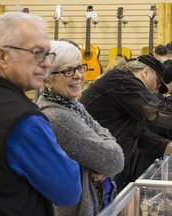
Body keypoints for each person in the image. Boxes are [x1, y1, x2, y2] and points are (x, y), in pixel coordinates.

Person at [0, 12, 81, 216]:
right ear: (2, 56)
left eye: (47, 54)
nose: (46, 63)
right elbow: (69, 191)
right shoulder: (24, 121)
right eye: (37, 53)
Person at [79, 54, 172, 192]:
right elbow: (158, 113)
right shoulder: (121, 81)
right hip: (89, 168)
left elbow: (138, 134)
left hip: (106, 168)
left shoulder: (126, 90)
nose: (157, 90)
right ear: (145, 72)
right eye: (158, 83)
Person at [36, 40, 124, 216]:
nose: (77, 75)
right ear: (46, 80)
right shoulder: (58, 116)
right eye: (68, 70)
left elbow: (105, 138)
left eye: (79, 67)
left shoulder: (73, 105)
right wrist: (104, 159)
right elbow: (114, 160)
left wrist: (103, 158)